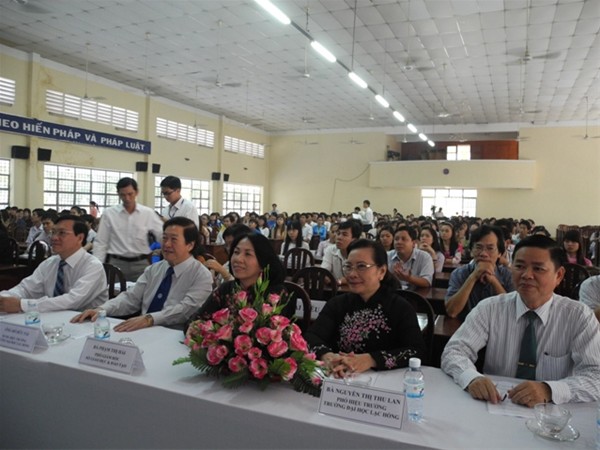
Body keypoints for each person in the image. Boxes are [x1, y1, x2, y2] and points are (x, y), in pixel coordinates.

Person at [441, 235, 600, 406]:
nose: (526, 275)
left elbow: (595, 376)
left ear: (559, 275)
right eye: (519, 266)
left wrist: (549, 390)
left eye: (538, 269)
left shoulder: (578, 316)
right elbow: (454, 351)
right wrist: (471, 378)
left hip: (552, 410)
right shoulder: (490, 308)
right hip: (496, 403)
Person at [305, 239, 426, 376]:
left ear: (381, 271)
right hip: (339, 379)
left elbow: (417, 351)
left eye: (361, 266)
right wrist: (327, 355)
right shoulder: (337, 304)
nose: (352, 274)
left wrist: (371, 360)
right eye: (348, 266)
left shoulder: (400, 307)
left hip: (384, 383)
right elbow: (311, 336)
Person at [72, 217, 212, 331]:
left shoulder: (201, 275)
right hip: (143, 330)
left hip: (175, 335)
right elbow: (131, 298)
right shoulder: (154, 269)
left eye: (174, 239)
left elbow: (185, 310)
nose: (167, 244)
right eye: (164, 238)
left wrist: (150, 319)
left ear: (190, 245)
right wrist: (102, 309)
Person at [186, 233, 294, 332]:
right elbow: (194, 321)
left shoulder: (275, 294)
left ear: (263, 262)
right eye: (236, 252)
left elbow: (275, 336)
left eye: (248, 254)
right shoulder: (226, 289)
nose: (238, 259)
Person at [0, 215, 107, 313]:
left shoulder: (93, 266)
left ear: (80, 238)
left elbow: (72, 301)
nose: (54, 238)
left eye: (62, 233)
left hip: (87, 322)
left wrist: (22, 305)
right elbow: (25, 289)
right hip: (52, 320)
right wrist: (4, 298)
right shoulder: (50, 263)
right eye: (53, 232)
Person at [92, 177, 163, 282]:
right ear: (118, 194)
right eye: (123, 195)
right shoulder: (109, 213)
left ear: (136, 192)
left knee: (143, 291)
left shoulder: (147, 213)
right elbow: (101, 242)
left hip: (141, 263)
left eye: (130, 194)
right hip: (116, 263)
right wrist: (98, 267)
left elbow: (161, 235)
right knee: (114, 291)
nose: (127, 198)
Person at [445, 225, 514, 320]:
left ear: (499, 253)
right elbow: (452, 312)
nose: (483, 254)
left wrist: (493, 280)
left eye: (490, 248)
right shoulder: (459, 273)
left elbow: (512, 312)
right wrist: (473, 277)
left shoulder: (508, 276)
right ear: (471, 251)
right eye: (478, 247)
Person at [388, 226, 434, 290]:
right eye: (396, 239)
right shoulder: (387, 256)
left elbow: (427, 282)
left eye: (403, 239)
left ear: (413, 243)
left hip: (416, 293)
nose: (399, 242)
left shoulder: (425, 257)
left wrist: (409, 278)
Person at [321, 219, 362, 287]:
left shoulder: (361, 253)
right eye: (338, 233)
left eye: (344, 234)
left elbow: (359, 277)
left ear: (354, 239)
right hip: (335, 289)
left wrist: (340, 281)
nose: (339, 237)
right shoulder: (330, 249)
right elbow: (323, 272)